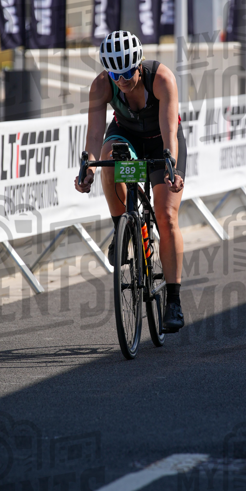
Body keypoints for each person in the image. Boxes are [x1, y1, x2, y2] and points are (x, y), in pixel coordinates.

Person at [74, 30, 186, 333]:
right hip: (127, 138)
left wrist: (170, 166)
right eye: (114, 72)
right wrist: (88, 169)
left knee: (166, 215)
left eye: (126, 71)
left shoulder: (161, 79)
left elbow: (169, 132)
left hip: (162, 140)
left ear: (139, 64)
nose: (121, 79)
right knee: (109, 158)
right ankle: (123, 228)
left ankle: (173, 300)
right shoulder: (102, 85)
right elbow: (95, 135)